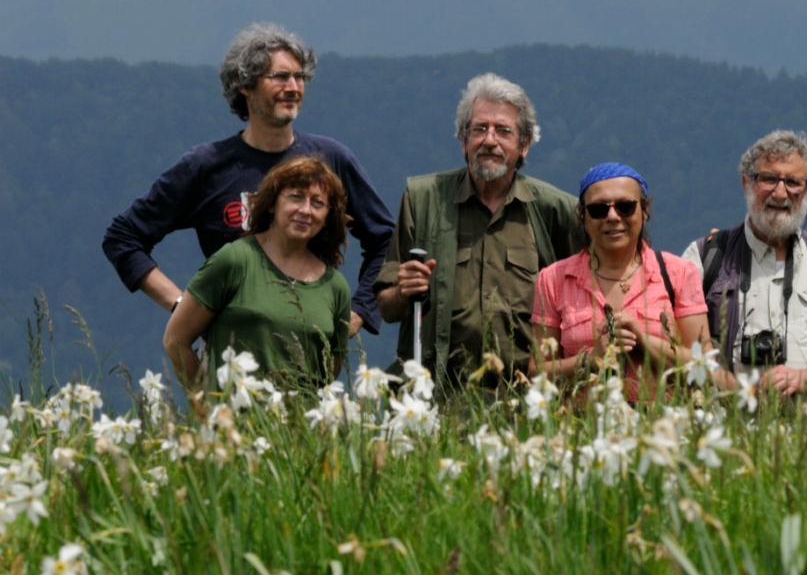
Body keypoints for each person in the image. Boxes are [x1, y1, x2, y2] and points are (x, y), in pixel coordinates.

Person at [103, 23, 393, 336]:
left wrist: (359, 312)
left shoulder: (331, 160)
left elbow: (387, 238)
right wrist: (182, 306)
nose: (293, 87)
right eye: (280, 77)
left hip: (311, 348)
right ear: (245, 85)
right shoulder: (207, 166)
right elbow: (123, 237)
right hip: (231, 352)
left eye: (300, 77)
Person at [374, 73, 577, 393]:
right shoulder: (424, 200)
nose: (489, 140)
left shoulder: (556, 211)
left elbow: (589, 299)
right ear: (463, 141)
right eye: (479, 129)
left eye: (503, 131)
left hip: (527, 400)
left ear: (524, 145)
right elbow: (386, 307)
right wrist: (402, 291)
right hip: (440, 395)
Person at [682, 130, 807, 396]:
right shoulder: (705, 257)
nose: (780, 193)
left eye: (793, 182)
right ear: (746, 183)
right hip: (729, 429)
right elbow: (679, 351)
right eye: (768, 179)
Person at [164, 156, 351, 393]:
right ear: (272, 203)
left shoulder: (336, 287)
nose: (305, 210)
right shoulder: (234, 260)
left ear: (327, 217)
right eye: (296, 197)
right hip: (236, 424)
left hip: (302, 428)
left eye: (318, 203)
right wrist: (206, 407)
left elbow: (328, 374)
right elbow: (175, 340)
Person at [530, 163, 710, 402]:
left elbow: (706, 368)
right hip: (581, 427)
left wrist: (643, 342)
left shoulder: (678, 273)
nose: (612, 217)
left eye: (625, 207)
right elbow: (537, 374)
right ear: (582, 216)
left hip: (662, 426)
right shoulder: (553, 279)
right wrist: (591, 359)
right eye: (598, 210)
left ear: (644, 211)